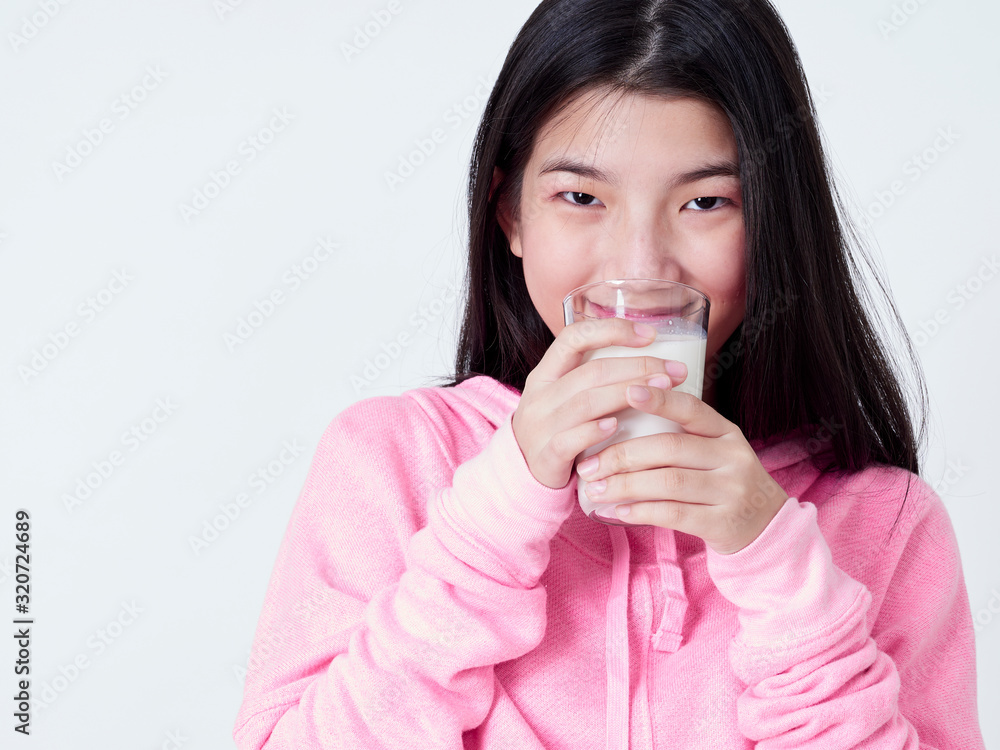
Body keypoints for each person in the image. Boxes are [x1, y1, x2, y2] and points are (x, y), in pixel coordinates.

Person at [233, 0, 986, 747]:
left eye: (706, 201)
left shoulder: (886, 523)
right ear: (510, 214)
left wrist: (778, 567)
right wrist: (496, 518)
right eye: (582, 197)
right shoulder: (391, 462)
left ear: (774, 223)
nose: (639, 268)